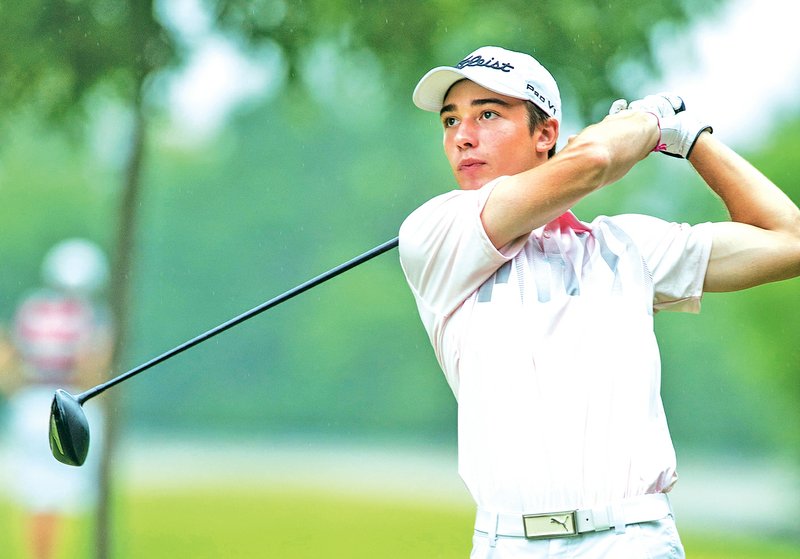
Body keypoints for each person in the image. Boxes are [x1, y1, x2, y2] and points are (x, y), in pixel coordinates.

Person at [398, 45, 800, 558]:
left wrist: (692, 139)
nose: (462, 136)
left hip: (631, 538)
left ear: (545, 135)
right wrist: (651, 120)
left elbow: (789, 241)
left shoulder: (626, 247)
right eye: (450, 121)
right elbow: (593, 161)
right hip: (505, 542)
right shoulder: (435, 235)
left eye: (489, 114)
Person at [2, 239, 113, 559]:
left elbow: (7, 361)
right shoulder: (92, 315)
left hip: (31, 404)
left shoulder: (32, 309)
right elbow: (89, 366)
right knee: (62, 496)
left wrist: (19, 394)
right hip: (71, 406)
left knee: (39, 498)